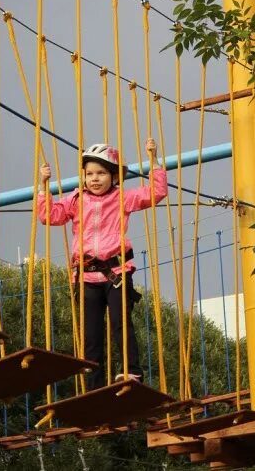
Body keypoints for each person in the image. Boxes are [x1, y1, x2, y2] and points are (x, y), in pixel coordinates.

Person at [37, 138, 167, 390]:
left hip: (115, 272)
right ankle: (94, 386)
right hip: (85, 276)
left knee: (121, 323)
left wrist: (154, 160)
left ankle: (131, 372)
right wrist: (43, 187)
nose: (95, 179)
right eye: (89, 174)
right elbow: (49, 216)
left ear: (114, 177)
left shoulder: (122, 199)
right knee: (91, 334)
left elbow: (156, 193)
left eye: (101, 173)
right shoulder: (75, 200)